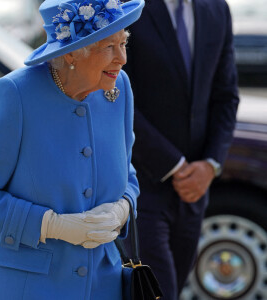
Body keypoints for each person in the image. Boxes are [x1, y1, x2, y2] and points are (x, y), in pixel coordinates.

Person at [0, 0, 144, 299]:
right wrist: (53, 226)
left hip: (102, 284)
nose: (122, 59)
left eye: (123, 42)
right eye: (108, 47)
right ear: (72, 52)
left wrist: (122, 209)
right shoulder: (14, 94)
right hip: (26, 287)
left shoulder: (119, 88)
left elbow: (127, 172)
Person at [123, 0, 239, 298]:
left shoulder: (216, 9)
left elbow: (225, 96)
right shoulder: (130, 7)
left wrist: (211, 164)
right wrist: (175, 165)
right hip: (141, 185)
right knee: (159, 290)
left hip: (195, 190)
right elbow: (118, 96)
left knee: (173, 286)